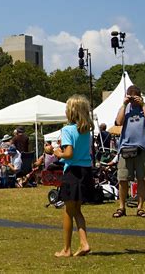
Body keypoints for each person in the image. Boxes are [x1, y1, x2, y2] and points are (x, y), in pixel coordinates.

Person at [53, 94, 93, 257]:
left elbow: (69, 153)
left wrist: (57, 153)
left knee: (68, 210)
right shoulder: (86, 130)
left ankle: (67, 249)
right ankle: (84, 243)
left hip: (72, 172)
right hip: (85, 171)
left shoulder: (67, 130)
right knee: (77, 210)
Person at [112, 85, 145, 218]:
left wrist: (142, 105)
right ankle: (121, 207)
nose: (133, 100)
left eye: (134, 97)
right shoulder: (125, 108)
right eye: (130, 97)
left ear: (140, 95)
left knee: (142, 179)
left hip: (143, 148)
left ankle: (140, 207)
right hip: (126, 147)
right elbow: (118, 122)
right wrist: (124, 104)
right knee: (123, 179)